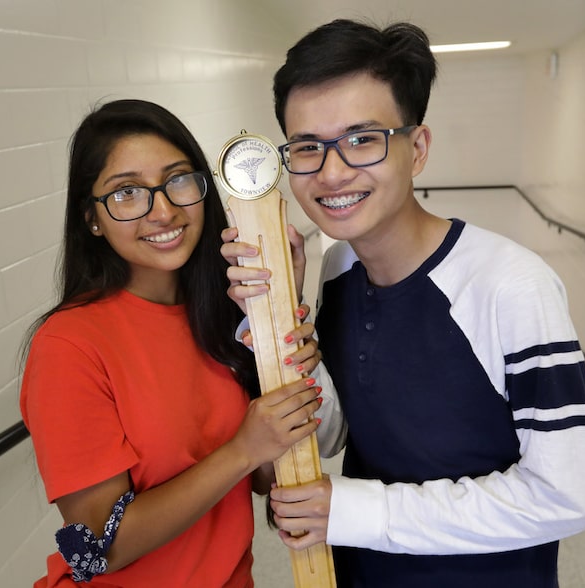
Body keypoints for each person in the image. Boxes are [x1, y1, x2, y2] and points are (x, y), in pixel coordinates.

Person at [222, 19, 585, 588]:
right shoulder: (337, 270)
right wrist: (276, 309)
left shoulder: (512, 285)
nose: (332, 172)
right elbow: (334, 434)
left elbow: (574, 494)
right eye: (308, 147)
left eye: (362, 139)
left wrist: (356, 512)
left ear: (417, 147)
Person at [19, 98, 344, 587]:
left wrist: (280, 317)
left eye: (177, 180)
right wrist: (242, 449)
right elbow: (89, 553)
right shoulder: (68, 345)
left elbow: (259, 478)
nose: (163, 210)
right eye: (126, 192)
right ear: (92, 218)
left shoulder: (218, 317)